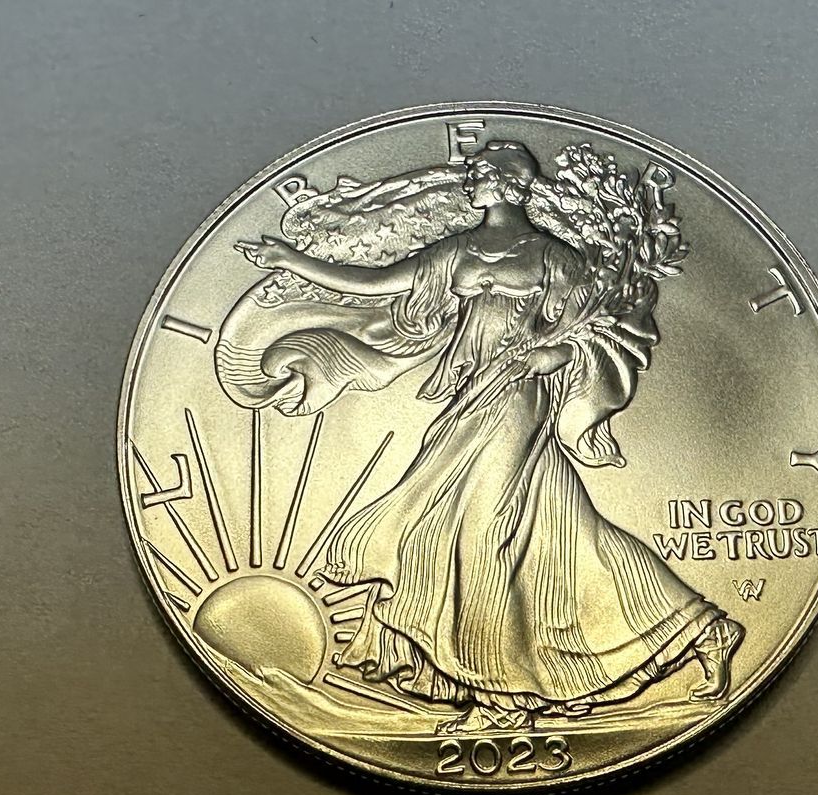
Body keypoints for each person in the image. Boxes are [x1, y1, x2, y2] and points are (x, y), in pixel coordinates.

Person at [234, 141, 743, 734]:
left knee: (481, 532)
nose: (470, 180)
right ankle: (700, 631)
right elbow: (374, 283)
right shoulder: (456, 251)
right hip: (471, 394)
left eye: (480, 174)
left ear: (508, 184)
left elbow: (595, 331)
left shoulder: (554, 257)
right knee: (554, 533)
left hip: (518, 397)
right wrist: (293, 260)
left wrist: (552, 354)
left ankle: (496, 697)